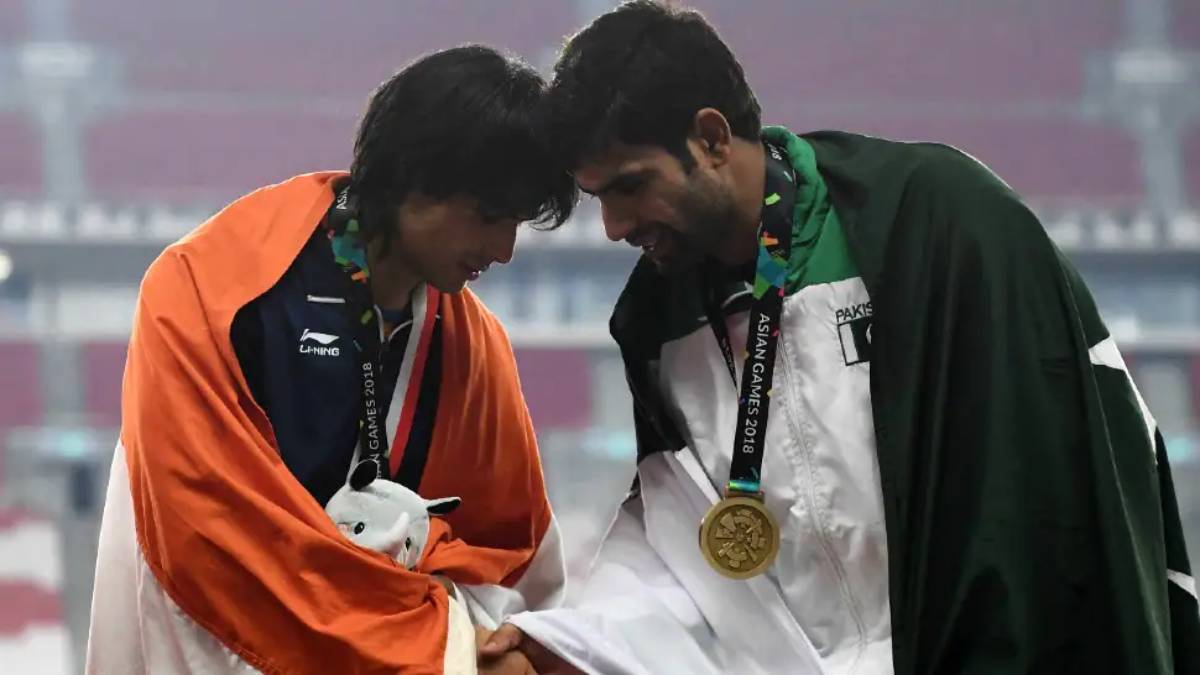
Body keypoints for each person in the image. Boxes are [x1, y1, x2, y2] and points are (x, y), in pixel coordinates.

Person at [482, 2, 1200, 673]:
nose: (612, 226)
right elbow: (686, 553)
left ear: (710, 138)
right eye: (599, 196)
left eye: (629, 186)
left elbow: (1062, 496)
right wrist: (561, 645)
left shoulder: (943, 223)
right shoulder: (658, 322)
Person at [86, 45, 576, 674]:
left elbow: (510, 556)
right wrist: (439, 650)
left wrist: (484, 641)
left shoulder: (475, 345)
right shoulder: (212, 291)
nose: (504, 250)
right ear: (411, 178)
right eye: (486, 217)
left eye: (515, 223)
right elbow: (208, 543)